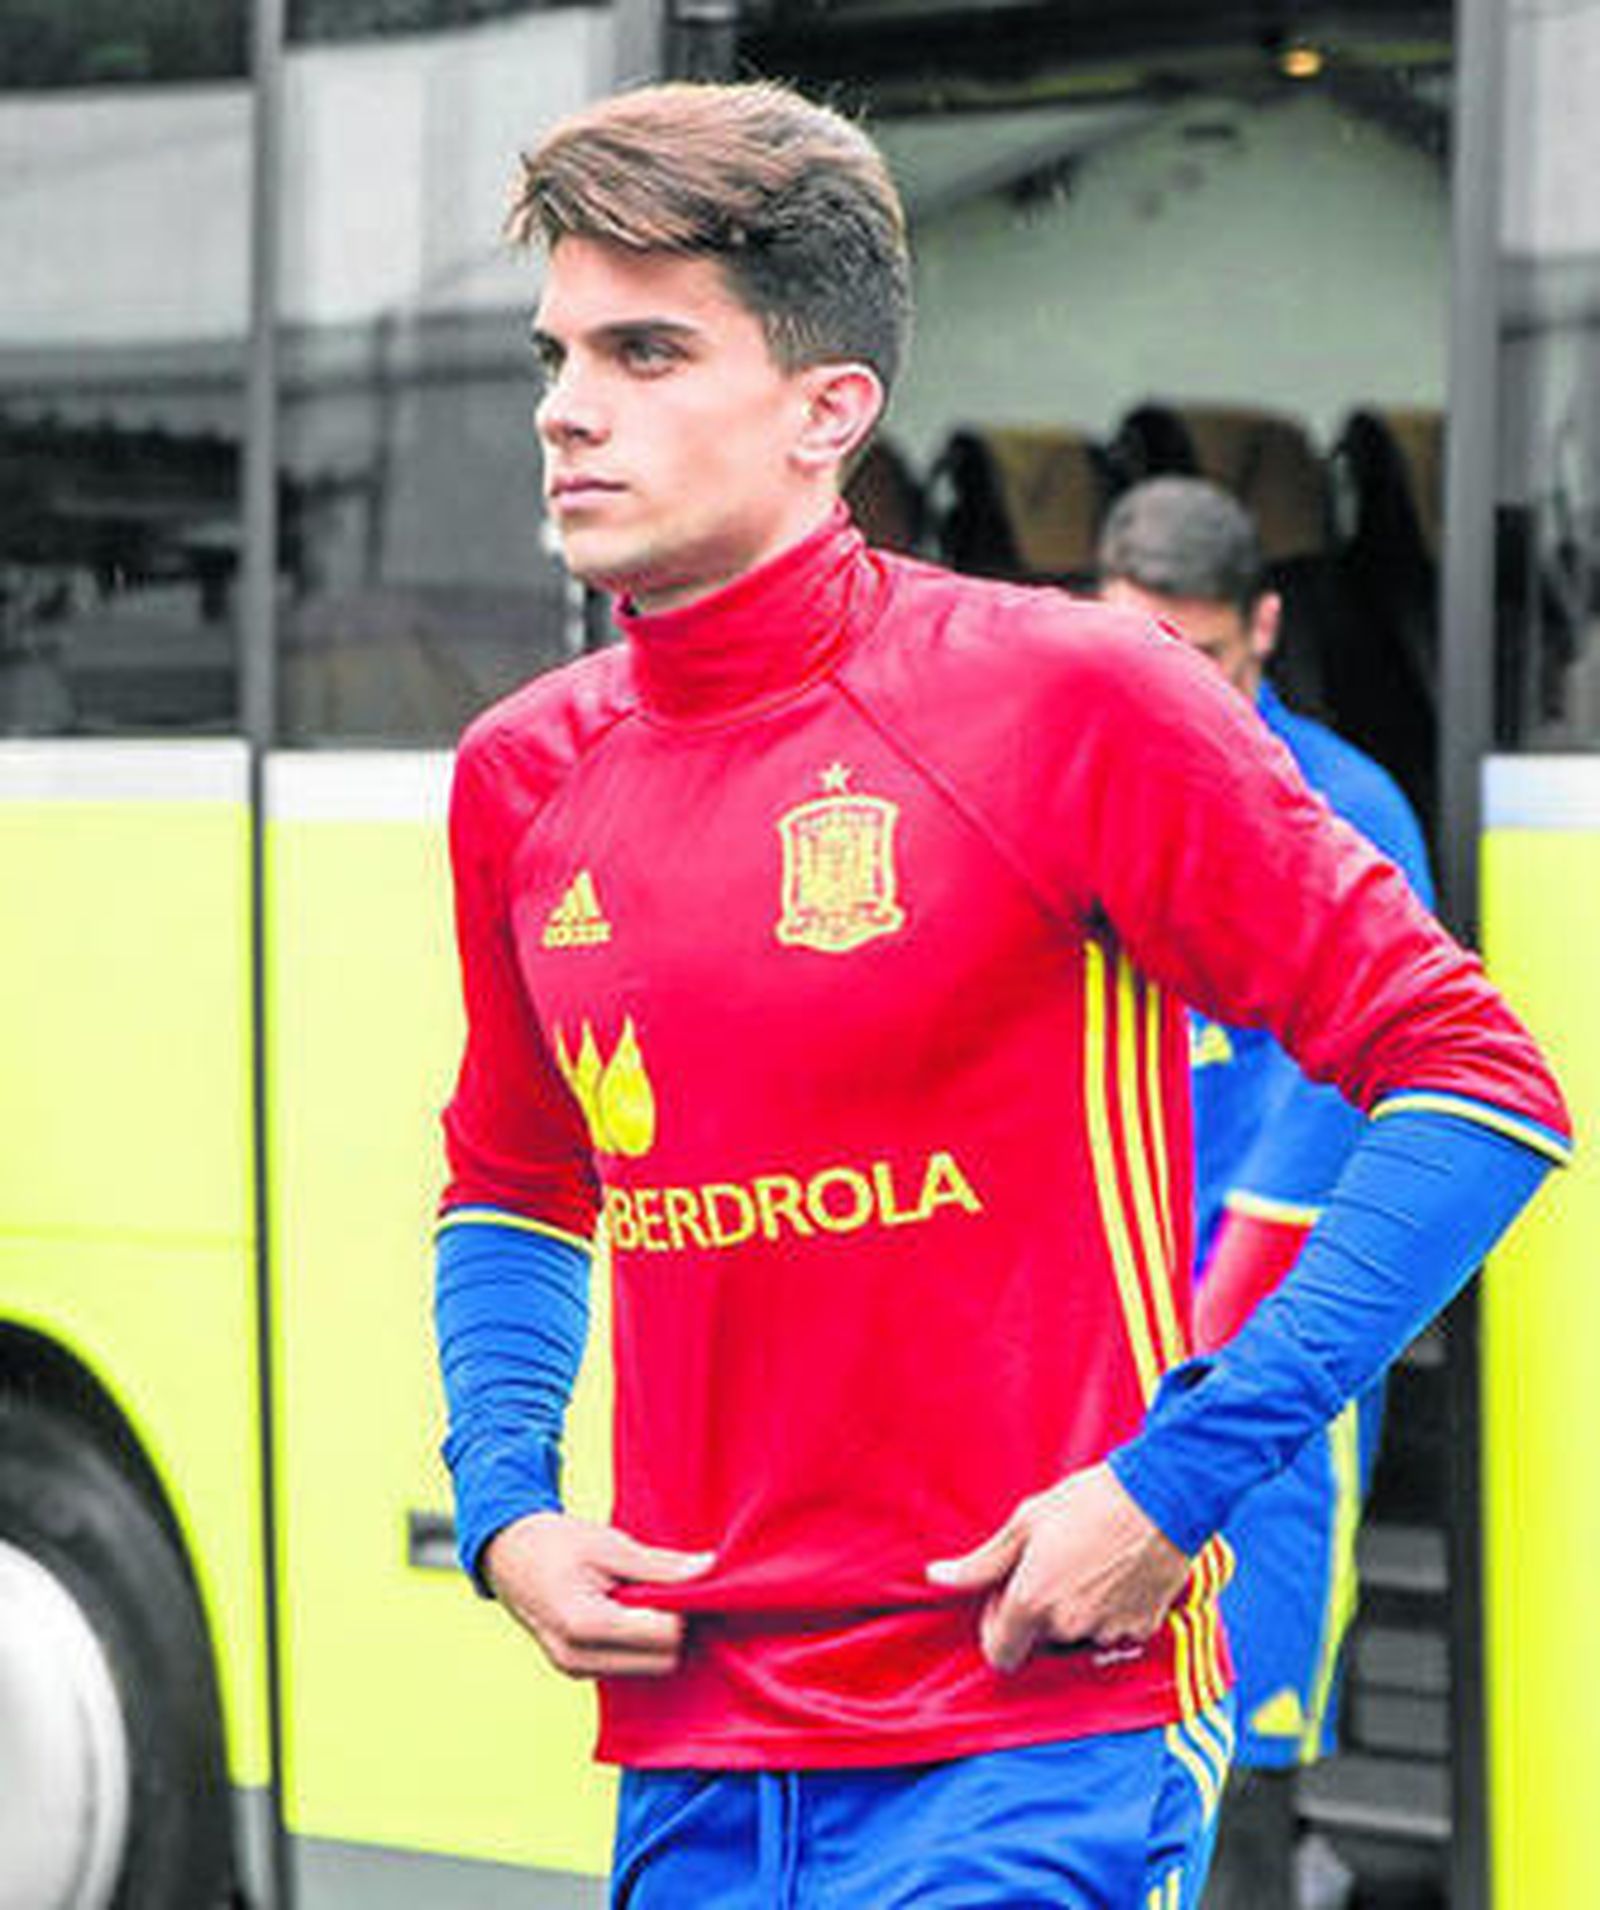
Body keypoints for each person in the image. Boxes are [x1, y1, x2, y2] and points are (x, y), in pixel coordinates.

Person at [432, 79, 1570, 1910]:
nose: (567, 405)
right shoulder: (520, 775)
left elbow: (1481, 1084)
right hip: (699, 1751)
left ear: (829, 410)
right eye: (556, 352)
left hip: (1035, 1735)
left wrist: (1173, 1482)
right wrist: (506, 1504)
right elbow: (514, 1182)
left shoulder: (1070, 700)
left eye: (646, 351)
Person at [1098, 477, 1434, 1909]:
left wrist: (1193, 1378)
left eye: (1209, 659)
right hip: (1087, 1353)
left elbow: (1326, 1128)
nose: (1178, 693)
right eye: (1144, 655)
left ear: (1269, 629)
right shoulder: (1057, 789)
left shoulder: (1345, 811)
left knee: (1239, 1756)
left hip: (1256, 1377)